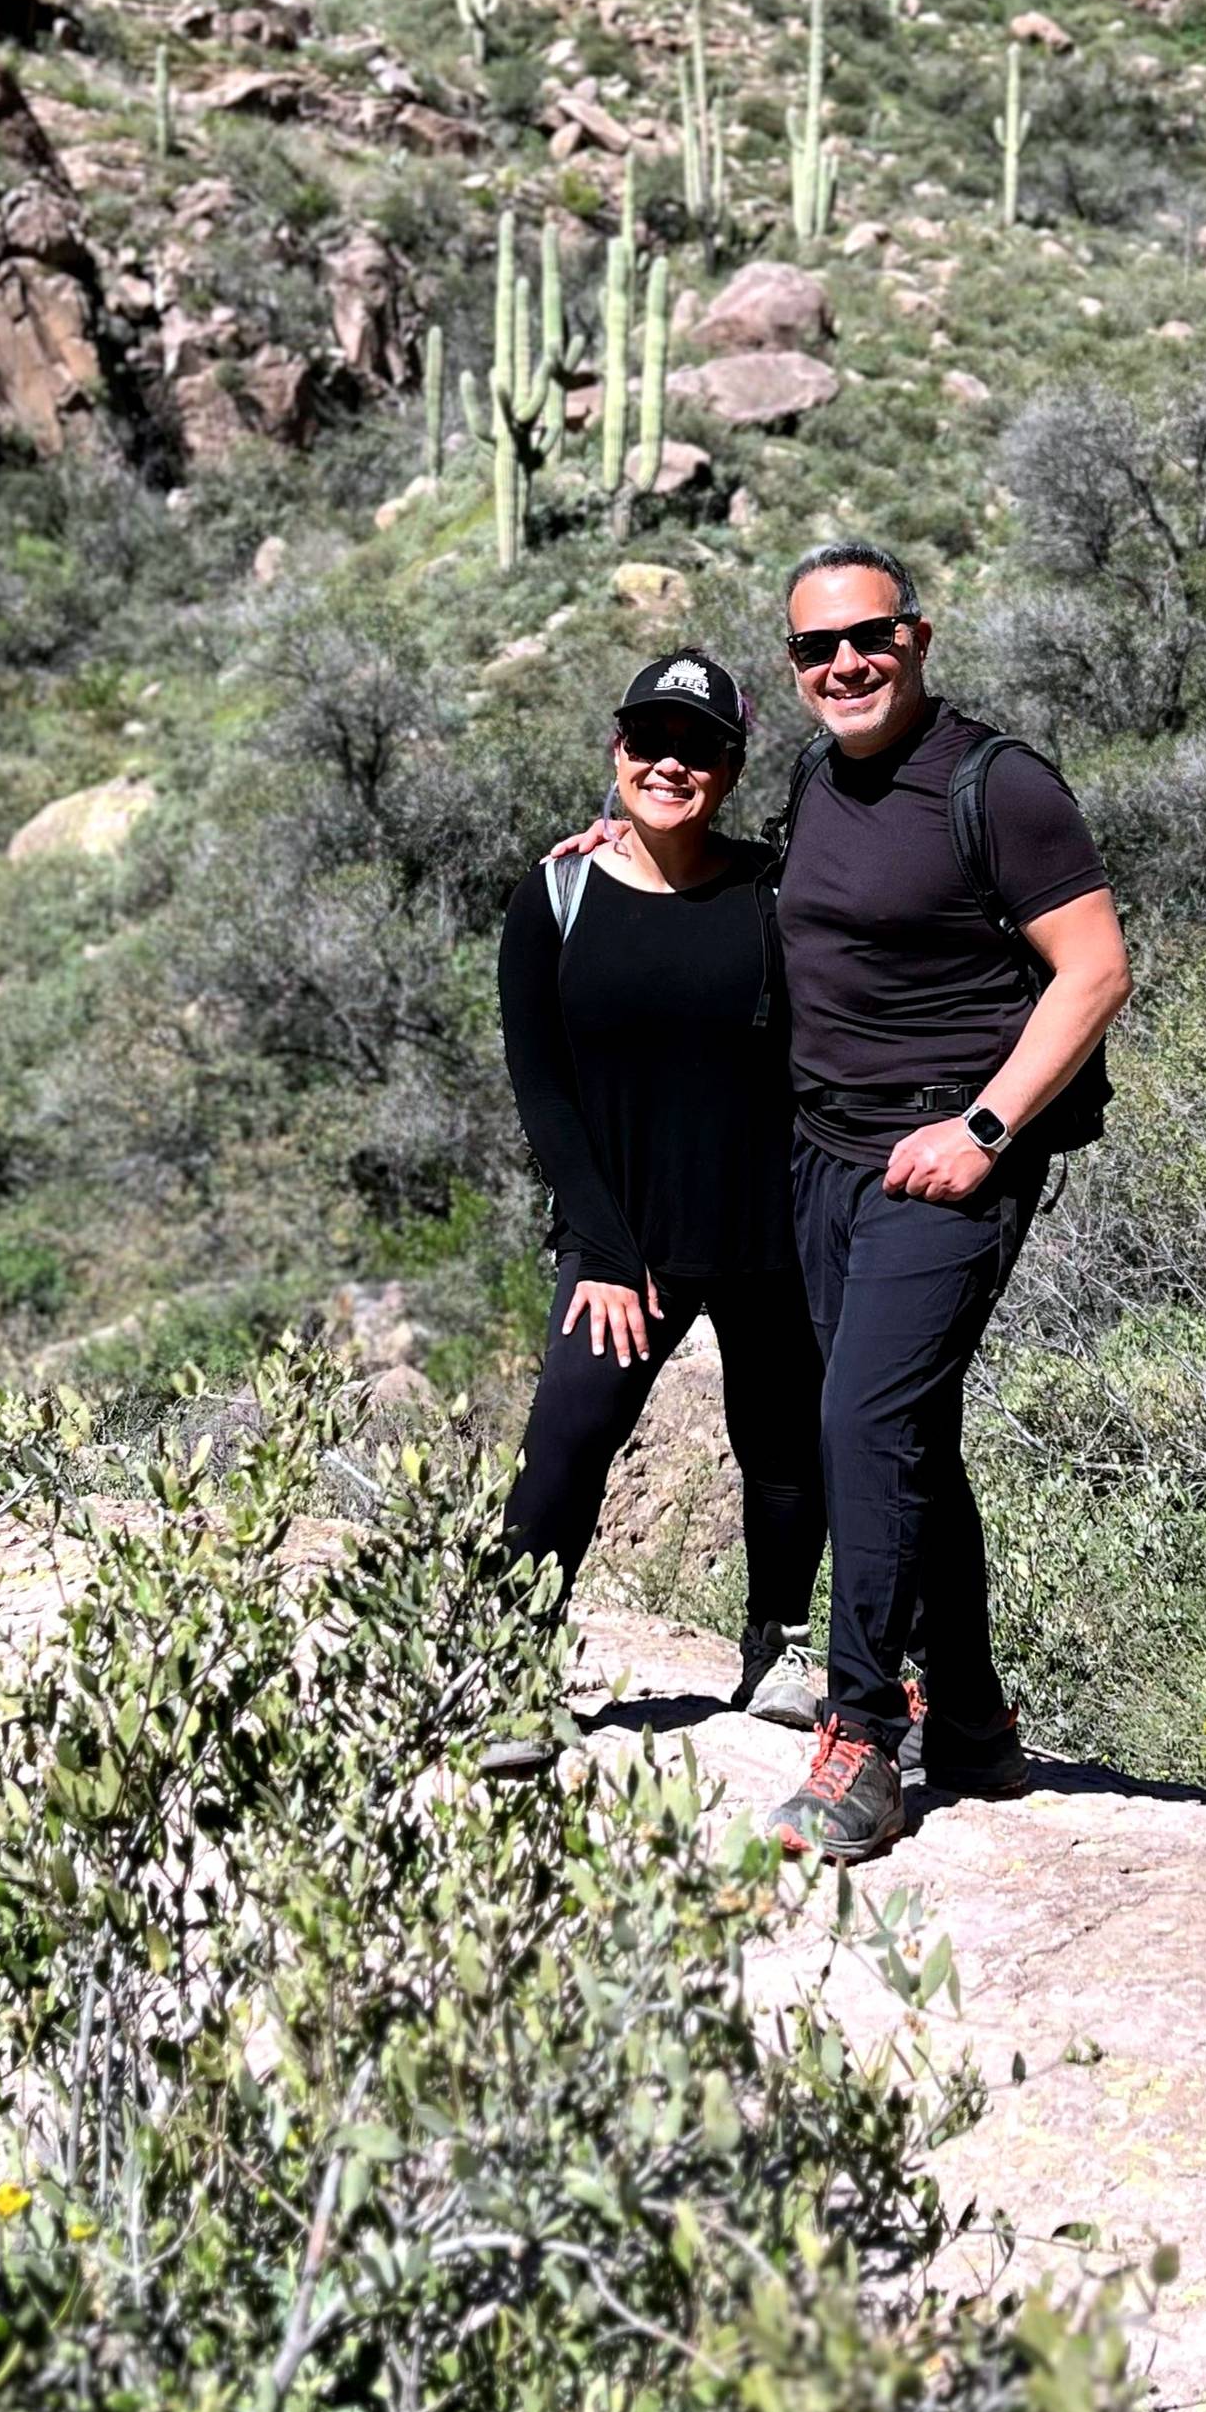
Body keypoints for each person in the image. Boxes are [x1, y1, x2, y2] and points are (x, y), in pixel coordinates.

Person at [761, 542, 1131, 1864]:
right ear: (795, 669)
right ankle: (971, 1718)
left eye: (868, 636)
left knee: (861, 1420)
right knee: (898, 1429)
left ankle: (864, 1738)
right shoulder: (816, 774)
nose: (845, 663)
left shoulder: (1000, 783)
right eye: (817, 648)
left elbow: (1093, 970)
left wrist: (984, 1129)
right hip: (824, 1155)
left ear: (917, 637)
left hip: (950, 1164)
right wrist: (635, 845)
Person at [490, 650, 828, 1764]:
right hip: (621, 1237)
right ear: (615, 752)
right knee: (569, 1435)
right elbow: (543, 1088)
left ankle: (776, 1645)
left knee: (783, 1448)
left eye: (698, 749)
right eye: (648, 742)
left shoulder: (778, 889)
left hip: (768, 1229)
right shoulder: (558, 895)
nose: (669, 764)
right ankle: (511, 1671)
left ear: (731, 768)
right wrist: (600, 1244)